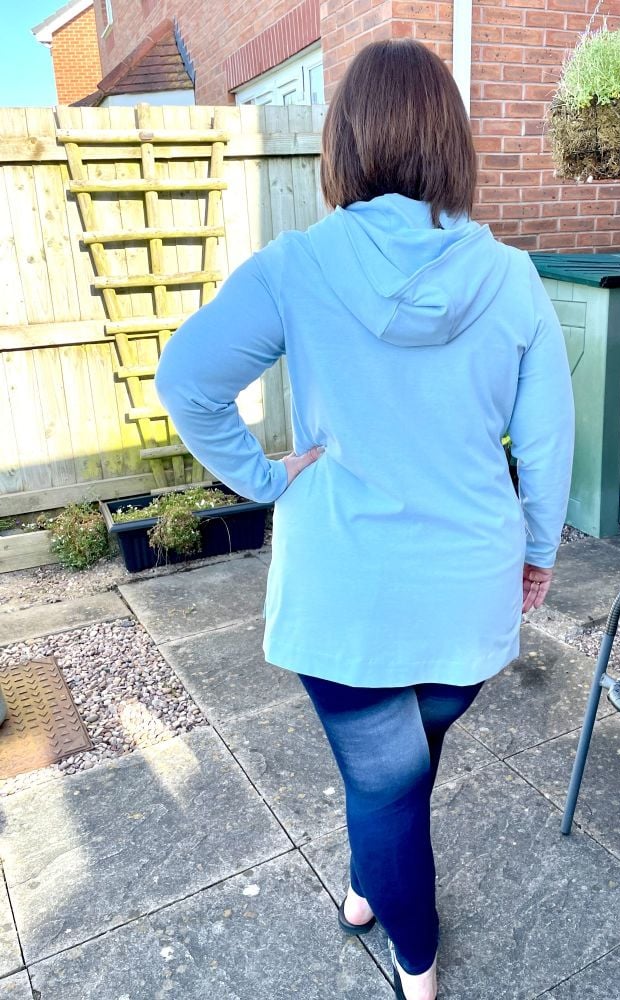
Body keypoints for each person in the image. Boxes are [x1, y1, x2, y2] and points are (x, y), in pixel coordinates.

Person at [155, 38, 574, 1000]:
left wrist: (265, 480)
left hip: (344, 596)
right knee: (398, 771)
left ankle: (416, 968)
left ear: (344, 142)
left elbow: (187, 381)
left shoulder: (298, 265)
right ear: (451, 143)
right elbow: (548, 443)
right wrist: (539, 552)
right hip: (466, 594)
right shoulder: (513, 279)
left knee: (385, 783)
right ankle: (364, 884)